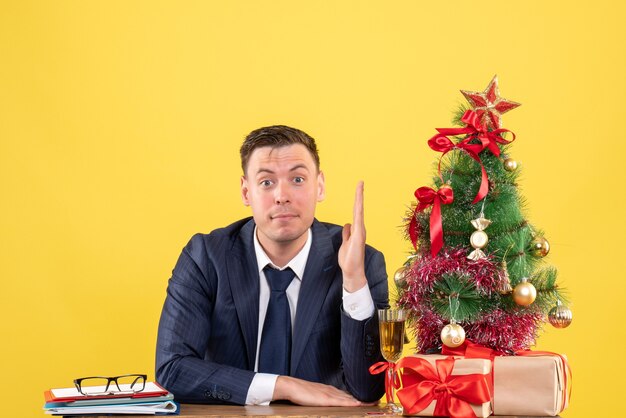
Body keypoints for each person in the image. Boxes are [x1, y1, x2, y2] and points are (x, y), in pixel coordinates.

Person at [155, 125, 388, 406]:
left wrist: (353, 282)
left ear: (320, 186)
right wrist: (282, 386)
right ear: (245, 192)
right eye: (266, 182)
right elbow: (171, 370)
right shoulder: (205, 257)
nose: (282, 195)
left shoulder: (363, 261)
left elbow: (368, 389)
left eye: (298, 179)